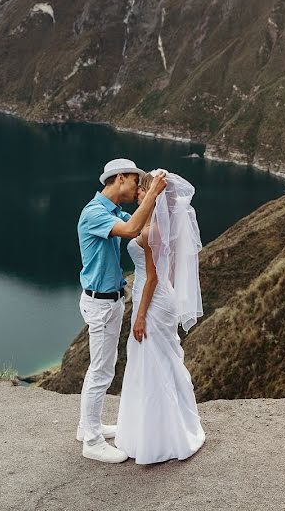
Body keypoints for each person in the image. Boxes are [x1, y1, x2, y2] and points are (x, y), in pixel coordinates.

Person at [76, 158, 167, 463]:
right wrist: (152, 194)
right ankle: (91, 440)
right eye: (135, 182)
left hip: (111, 299)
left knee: (105, 367)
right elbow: (131, 229)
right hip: (100, 302)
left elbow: (142, 228)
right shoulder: (94, 214)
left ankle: (87, 425)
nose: (136, 188)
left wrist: (158, 203)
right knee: (100, 371)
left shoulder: (110, 211)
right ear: (120, 178)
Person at [114, 169, 206, 464]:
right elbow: (167, 272)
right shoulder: (161, 228)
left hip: (150, 298)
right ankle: (166, 429)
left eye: (144, 190)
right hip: (161, 297)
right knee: (161, 361)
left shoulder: (150, 230)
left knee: (151, 363)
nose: (140, 193)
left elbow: (152, 278)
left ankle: (158, 437)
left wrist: (140, 316)